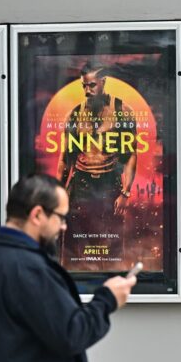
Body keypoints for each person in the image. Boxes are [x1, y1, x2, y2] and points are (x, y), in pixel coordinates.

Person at [0, 174, 137, 362]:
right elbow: (72, 333)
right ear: (38, 215)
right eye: (61, 217)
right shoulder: (29, 269)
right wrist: (108, 299)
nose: (64, 226)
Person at [58, 63, 137, 269]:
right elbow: (65, 158)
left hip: (109, 185)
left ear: (104, 82)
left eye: (92, 85)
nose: (87, 91)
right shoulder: (75, 114)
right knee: (74, 249)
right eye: (84, 86)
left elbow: (131, 155)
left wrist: (125, 192)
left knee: (111, 249)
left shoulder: (121, 110)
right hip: (81, 185)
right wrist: (58, 193)